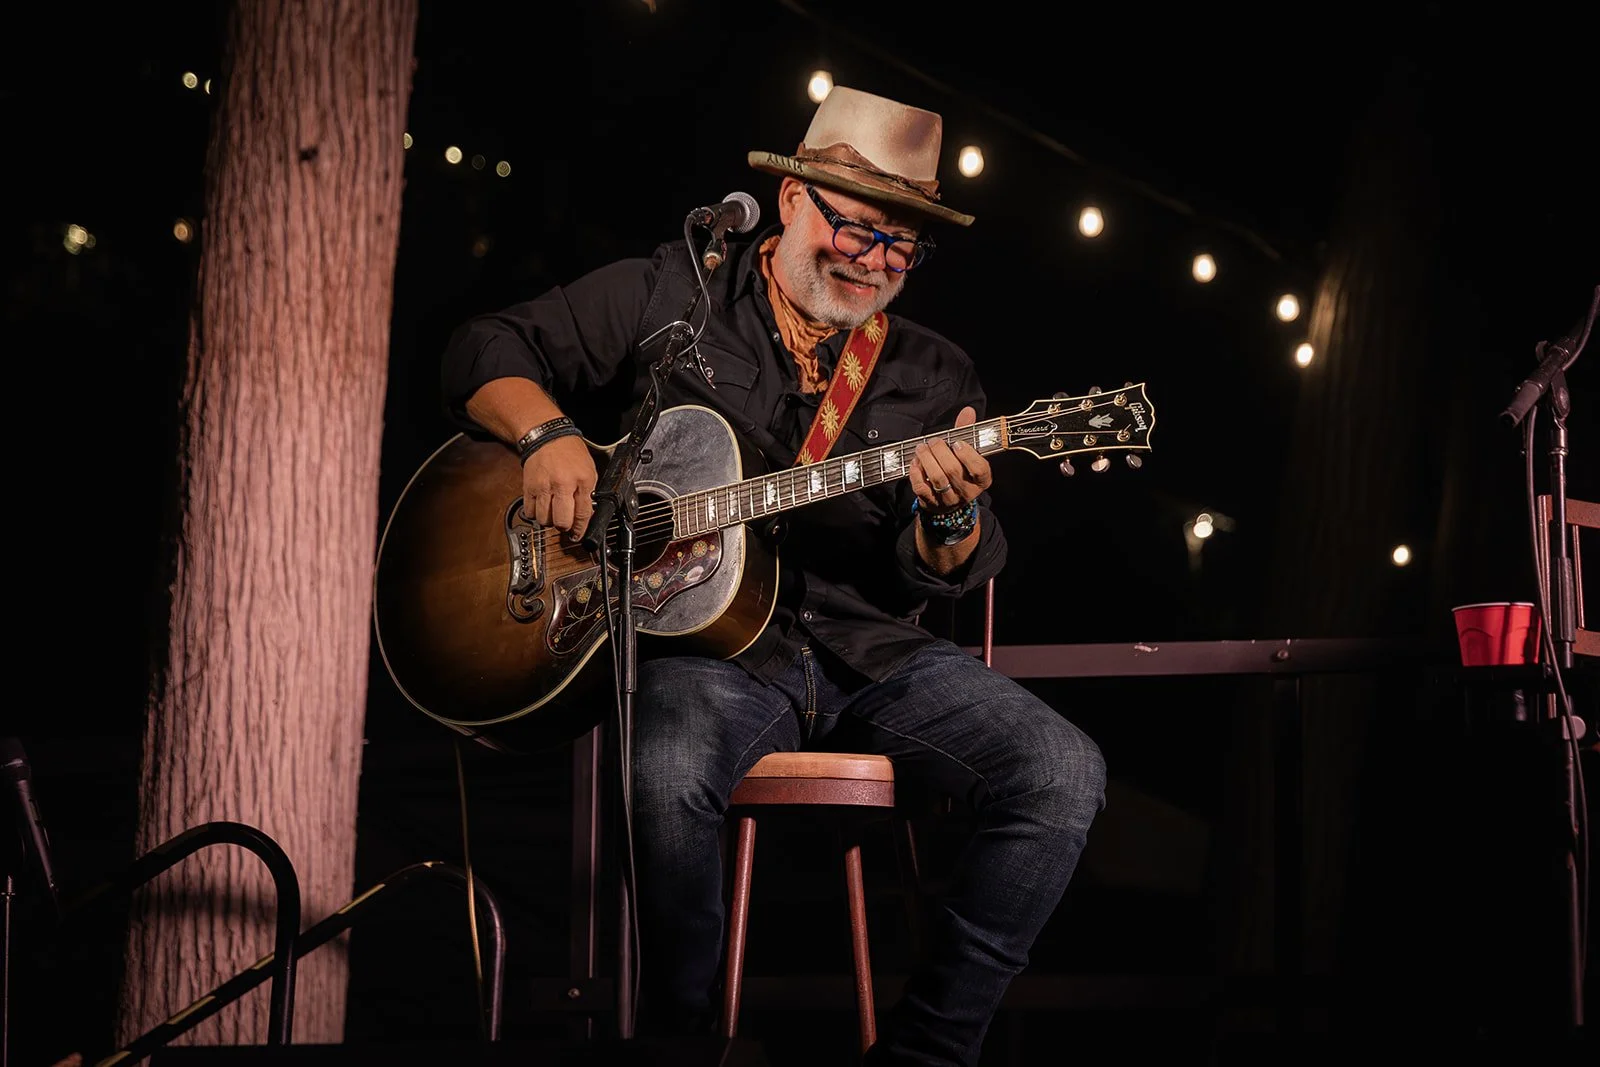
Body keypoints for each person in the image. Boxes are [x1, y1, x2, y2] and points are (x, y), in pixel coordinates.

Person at [440, 85, 1107, 1066]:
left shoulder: (932, 370)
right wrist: (545, 434)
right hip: (707, 650)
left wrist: (951, 517)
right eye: (859, 229)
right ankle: (685, 1040)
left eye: (901, 246)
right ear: (793, 200)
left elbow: (941, 572)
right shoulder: (676, 294)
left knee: (1062, 772)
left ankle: (926, 1052)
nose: (875, 262)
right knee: (663, 769)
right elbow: (482, 346)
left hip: (871, 651)